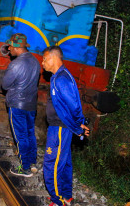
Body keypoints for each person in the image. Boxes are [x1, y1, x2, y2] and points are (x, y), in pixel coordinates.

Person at [41, 46, 90, 206]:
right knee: (65, 162)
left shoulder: (61, 79)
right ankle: (66, 195)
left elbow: (74, 105)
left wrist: (78, 125)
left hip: (60, 128)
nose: (42, 63)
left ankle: (58, 200)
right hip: (60, 127)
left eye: (45, 59)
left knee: (51, 164)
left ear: (54, 58)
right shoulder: (58, 76)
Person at [2, 33, 41, 177]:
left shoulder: (16, 64)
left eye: (10, 46)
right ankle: (32, 163)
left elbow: (5, 84)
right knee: (30, 133)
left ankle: (24, 168)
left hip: (17, 105)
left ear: (16, 47)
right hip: (31, 105)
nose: (9, 49)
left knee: (21, 137)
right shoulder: (35, 61)